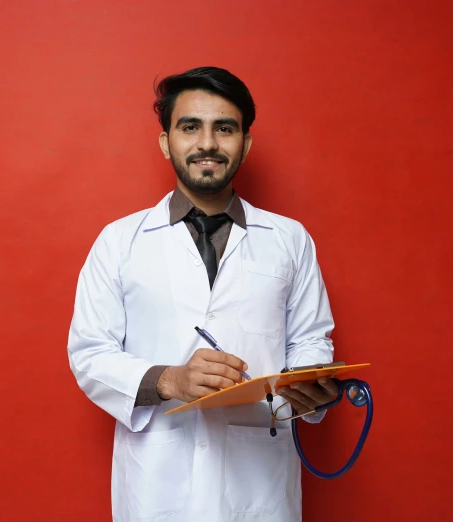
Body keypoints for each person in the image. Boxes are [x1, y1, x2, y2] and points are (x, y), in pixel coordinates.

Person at [67, 66, 338, 522]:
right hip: (158, 485)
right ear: (165, 141)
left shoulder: (290, 240)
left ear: (245, 143)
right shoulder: (119, 241)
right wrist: (171, 381)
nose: (207, 143)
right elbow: (90, 353)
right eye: (190, 127)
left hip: (259, 484)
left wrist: (310, 382)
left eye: (224, 128)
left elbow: (312, 339)